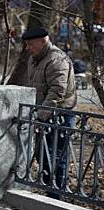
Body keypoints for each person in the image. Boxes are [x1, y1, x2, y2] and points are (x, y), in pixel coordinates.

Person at [23, 27, 76, 198]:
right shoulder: (34, 59)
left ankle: (56, 196)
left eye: (30, 44)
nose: (27, 48)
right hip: (43, 114)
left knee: (56, 157)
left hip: (59, 115)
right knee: (42, 154)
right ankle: (49, 191)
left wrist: (40, 116)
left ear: (43, 41)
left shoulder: (57, 59)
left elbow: (57, 92)